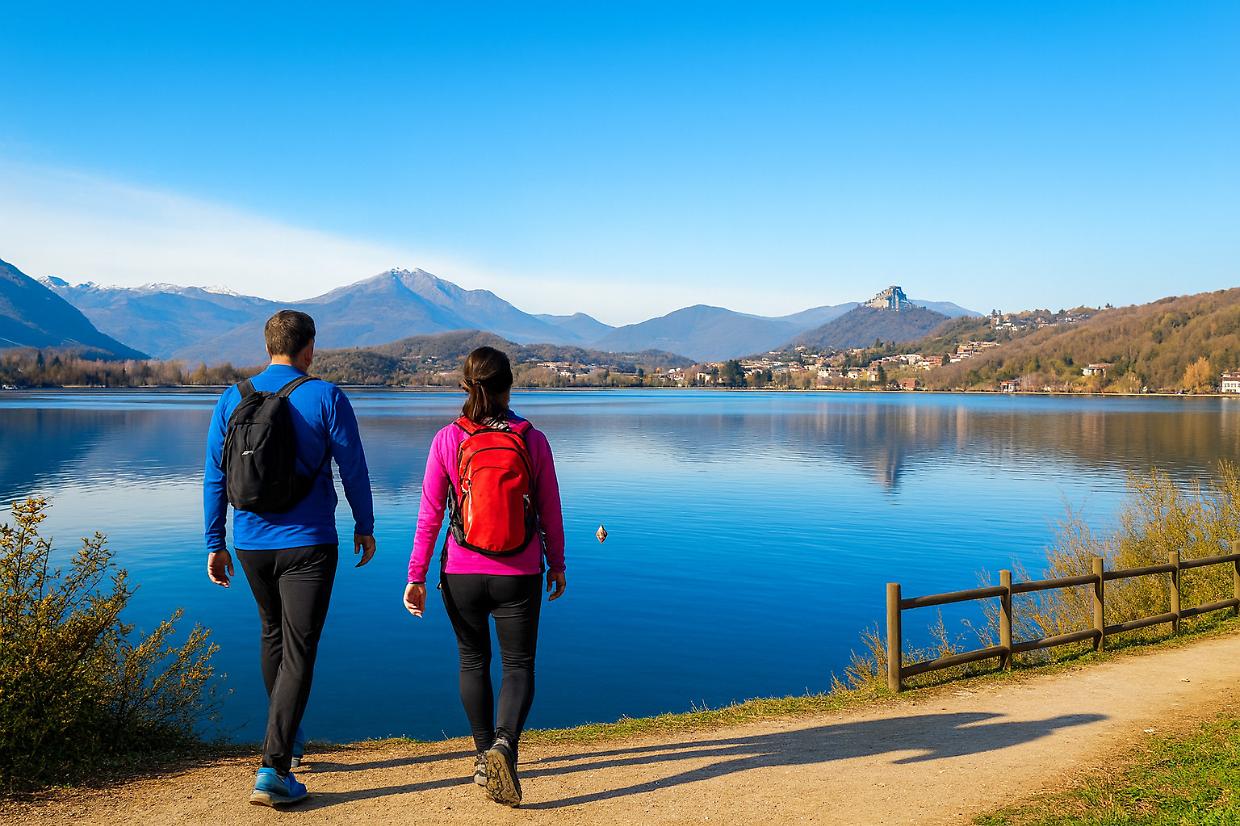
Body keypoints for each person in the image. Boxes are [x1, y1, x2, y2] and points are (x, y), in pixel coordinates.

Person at [204, 310, 376, 807]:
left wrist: (214, 541)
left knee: (273, 635)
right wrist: (364, 526)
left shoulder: (232, 398)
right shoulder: (326, 396)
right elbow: (354, 468)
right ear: (310, 348)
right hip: (309, 543)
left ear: (267, 346)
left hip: (251, 543)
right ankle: (274, 769)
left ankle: (288, 737)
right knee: (299, 649)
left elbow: (215, 477)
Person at [404, 346, 566, 808]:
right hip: (520, 571)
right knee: (518, 666)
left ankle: (482, 756)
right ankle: (504, 747)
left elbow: (429, 516)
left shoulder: (447, 440)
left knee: (473, 661)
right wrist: (557, 564)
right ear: (509, 385)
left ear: (465, 386)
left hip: (461, 572)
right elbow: (551, 510)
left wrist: (416, 575)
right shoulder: (531, 438)